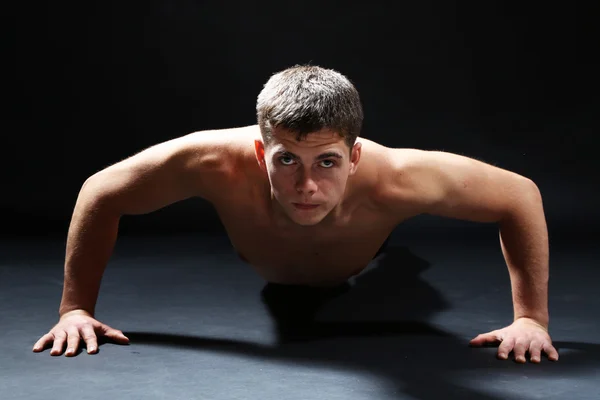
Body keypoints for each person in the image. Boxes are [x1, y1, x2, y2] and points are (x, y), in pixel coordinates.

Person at [33, 65, 558, 364]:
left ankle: (400, 264)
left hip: (359, 251)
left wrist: (531, 318)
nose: (306, 185)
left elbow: (520, 196)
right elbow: (101, 190)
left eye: (327, 161)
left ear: (355, 157)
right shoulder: (212, 161)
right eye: (287, 160)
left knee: (404, 284)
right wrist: (73, 310)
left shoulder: (399, 177)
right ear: (262, 153)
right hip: (266, 256)